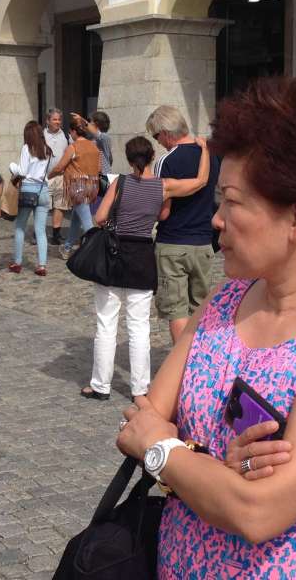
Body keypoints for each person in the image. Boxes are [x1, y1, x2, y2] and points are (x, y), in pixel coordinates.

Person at [116, 77, 296, 578]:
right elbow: (137, 424)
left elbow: (258, 512)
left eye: (232, 201)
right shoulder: (227, 300)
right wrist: (212, 469)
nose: (216, 220)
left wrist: (166, 451)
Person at [81, 135, 212, 401]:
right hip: (142, 256)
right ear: (153, 156)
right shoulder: (163, 186)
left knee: (106, 324)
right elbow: (200, 182)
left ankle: (101, 386)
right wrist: (205, 151)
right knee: (139, 326)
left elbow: (100, 217)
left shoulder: (120, 182)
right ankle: (140, 388)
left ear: (129, 159)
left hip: (114, 255)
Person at [147, 105, 222, 343]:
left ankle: (180, 368)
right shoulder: (210, 156)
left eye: (156, 136)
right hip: (204, 242)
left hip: (173, 242)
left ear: (166, 132)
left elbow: (163, 211)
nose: (158, 142)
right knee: (199, 308)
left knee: (176, 310)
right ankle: (198, 364)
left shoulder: (165, 161)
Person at [48, 114, 101, 260]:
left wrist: (47, 177)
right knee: (77, 219)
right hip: (92, 185)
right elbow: (99, 167)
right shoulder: (94, 146)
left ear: (73, 131)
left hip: (77, 186)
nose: (70, 134)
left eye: (70, 132)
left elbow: (59, 167)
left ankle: (96, 252)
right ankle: (67, 247)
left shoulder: (73, 147)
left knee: (87, 223)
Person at [8, 121, 53, 275]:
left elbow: (22, 171)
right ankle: (41, 265)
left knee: (20, 227)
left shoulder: (27, 148)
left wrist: (11, 166)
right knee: (40, 230)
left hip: (28, 190)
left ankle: (17, 262)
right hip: (43, 190)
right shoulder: (47, 149)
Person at [43, 109, 71, 245]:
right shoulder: (41, 135)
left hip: (60, 176)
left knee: (59, 206)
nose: (57, 122)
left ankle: (56, 234)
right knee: (43, 206)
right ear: (48, 121)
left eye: (59, 119)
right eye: (54, 119)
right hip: (44, 177)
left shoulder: (65, 136)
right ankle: (39, 233)